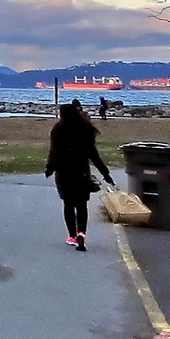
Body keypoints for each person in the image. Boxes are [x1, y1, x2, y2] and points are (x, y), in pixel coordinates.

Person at [45, 101, 115, 251]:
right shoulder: (86, 129)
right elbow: (94, 155)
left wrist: (49, 168)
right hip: (81, 171)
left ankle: (72, 236)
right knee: (82, 205)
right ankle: (81, 233)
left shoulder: (58, 130)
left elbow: (54, 152)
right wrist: (105, 174)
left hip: (63, 172)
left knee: (68, 204)